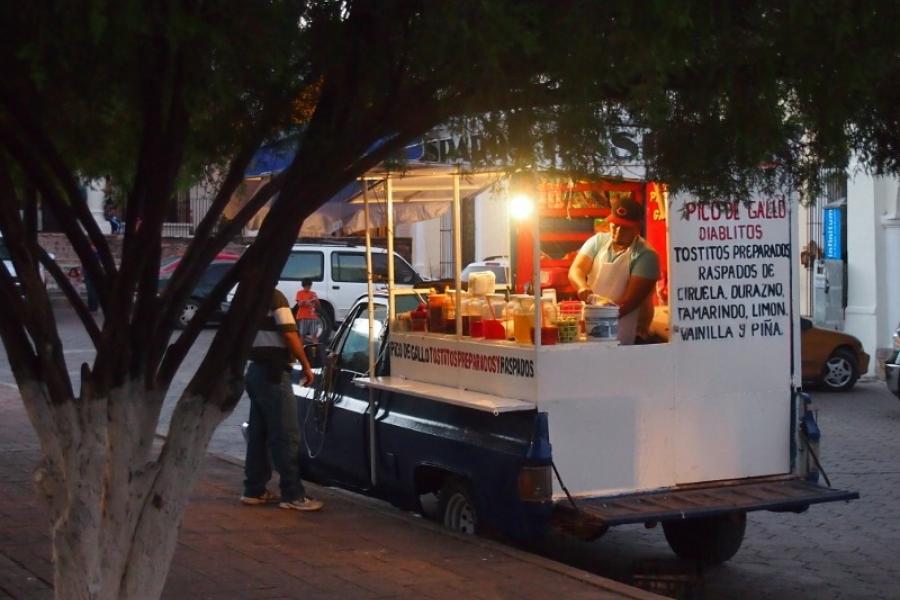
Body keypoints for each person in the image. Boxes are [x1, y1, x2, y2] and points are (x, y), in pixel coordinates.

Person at [241, 289, 322, 511]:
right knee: (286, 435)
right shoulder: (274, 297)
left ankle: (254, 489)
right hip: (274, 373)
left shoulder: (247, 295)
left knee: (259, 434)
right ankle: (293, 494)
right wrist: (305, 364)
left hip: (255, 370)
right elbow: (289, 333)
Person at [568, 196, 660, 345]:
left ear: (637, 227)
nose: (618, 230)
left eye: (625, 227)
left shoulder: (646, 255)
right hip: (593, 325)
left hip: (625, 330)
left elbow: (629, 302)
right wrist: (583, 289)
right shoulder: (598, 241)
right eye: (615, 225)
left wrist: (599, 314)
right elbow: (576, 269)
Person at [294, 278, 321, 345]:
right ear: (303, 286)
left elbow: (318, 306)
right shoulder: (300, 293)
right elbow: (299, 304)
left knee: (314, 335)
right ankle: (300, 350)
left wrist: (316, 301)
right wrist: (305, 301)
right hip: (303, 316)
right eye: (306, 286)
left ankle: (317, 350)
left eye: (309, 286)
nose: (308, 288)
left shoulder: (313, 293)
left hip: (313, 316)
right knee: (302, 335)